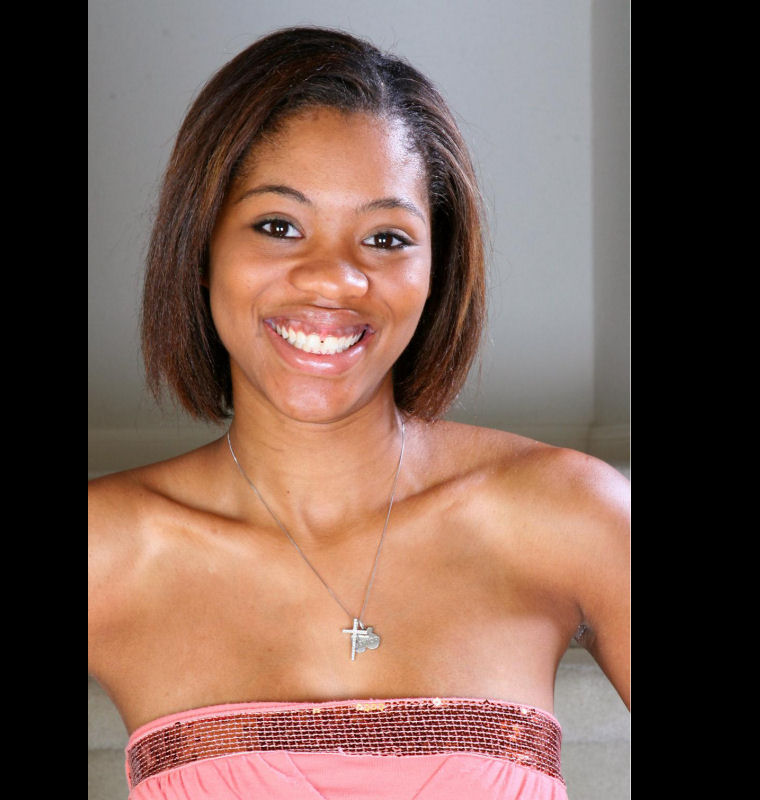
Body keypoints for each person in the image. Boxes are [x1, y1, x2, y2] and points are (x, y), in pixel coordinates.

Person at [88, 26, 629, 800]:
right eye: (279, 226)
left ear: (437, 268)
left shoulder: (573, 514)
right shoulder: (105, 548)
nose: (334, 279)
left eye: (385, 237)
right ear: (201, 246)